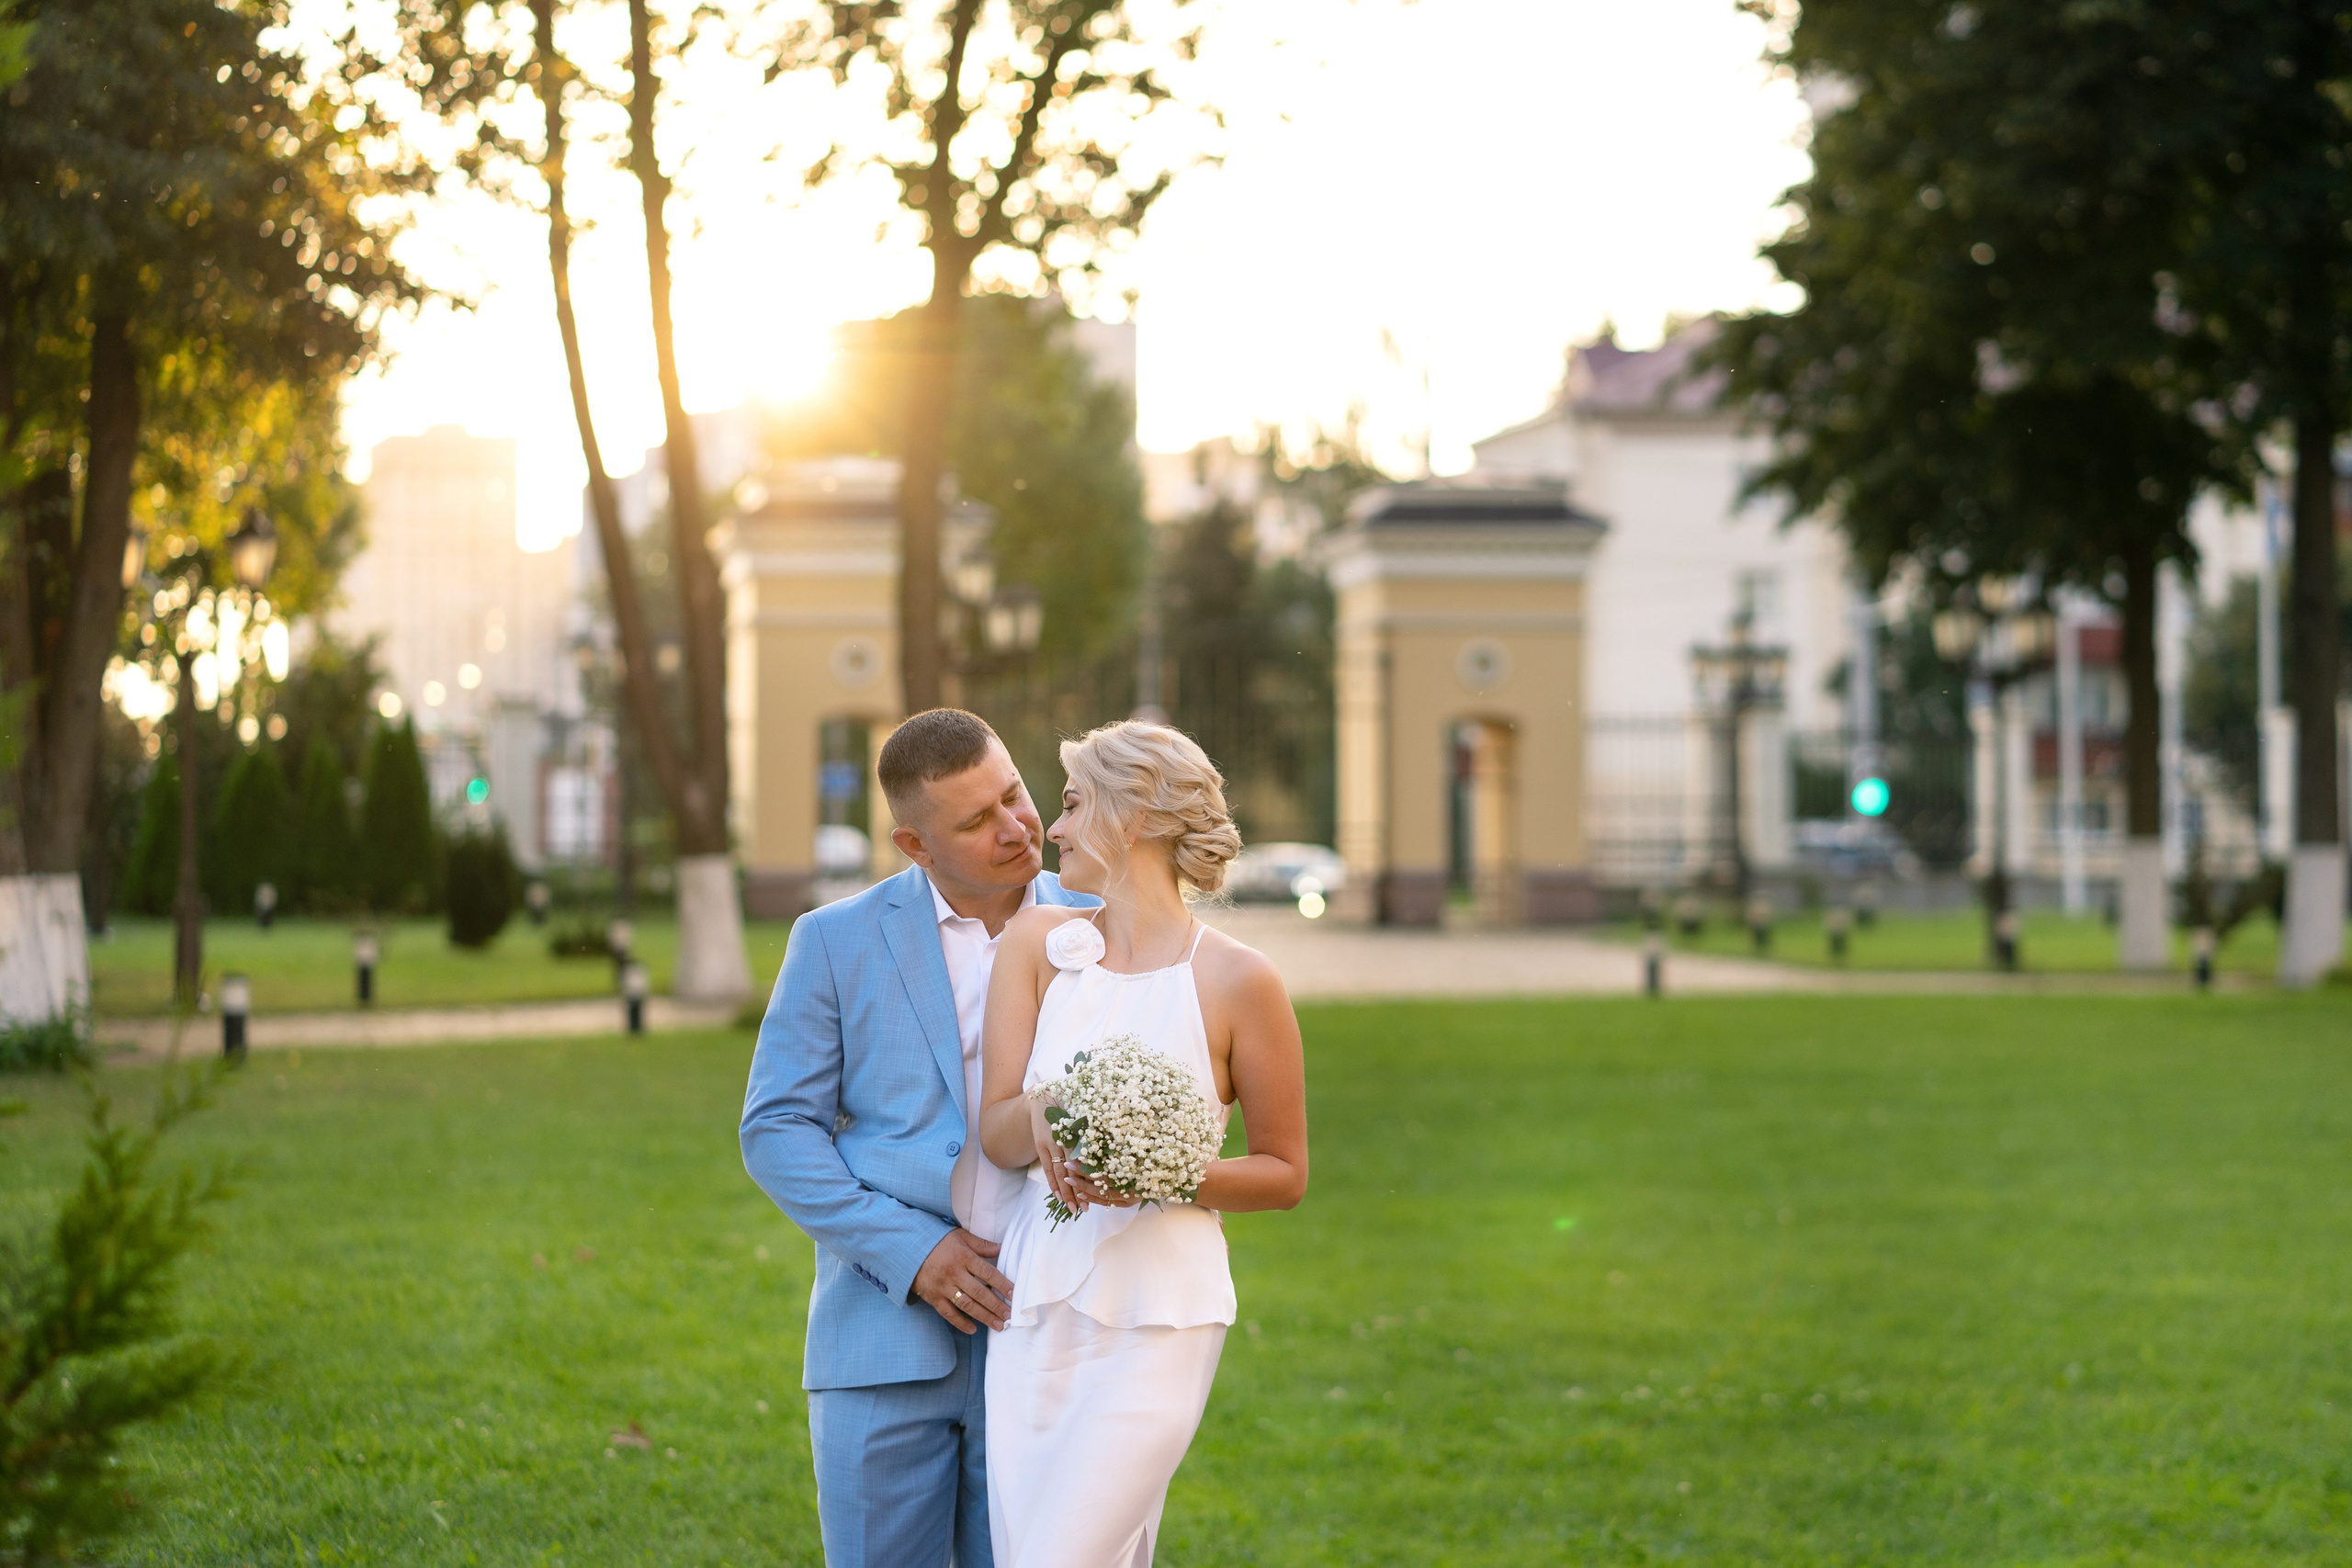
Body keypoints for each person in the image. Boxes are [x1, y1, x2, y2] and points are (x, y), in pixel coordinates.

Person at [741, 708, 1097, 1567]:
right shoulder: (832, 941)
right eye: (976, 821)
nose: (1016, 827)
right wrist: (914, 1252)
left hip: (1050, 1328)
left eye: (1014, 794)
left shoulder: (1099, 929)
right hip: (882, 1333)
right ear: (913, 844)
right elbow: (777, 1128)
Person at [978, 719, 1309, 1568]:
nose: (1051, 829)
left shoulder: (1242, 980)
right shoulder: (1035, 946)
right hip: (1037, 1308)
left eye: (1073, 803)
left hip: (1161, 1316)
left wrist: (1166, 1173)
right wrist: (1053, 1109)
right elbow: (998, 1130)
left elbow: (1283, 1171)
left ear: (1134, 818)